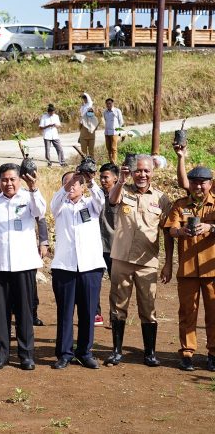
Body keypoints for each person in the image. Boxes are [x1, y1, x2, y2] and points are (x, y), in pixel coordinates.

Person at [0, 163, 45, 371]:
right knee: (2, 312)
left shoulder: (28, 198)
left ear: (19, 180)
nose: (8, 184)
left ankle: (26, 355)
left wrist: (34, 189)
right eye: (4, 180)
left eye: (12, 179)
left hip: (24, 265)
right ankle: (2, 355)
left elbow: (41, 211)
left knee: (24, 312)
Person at [105, 155, 172, 367]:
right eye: (138, 171)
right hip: (122, 259)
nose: (142, 175)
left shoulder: (161, 199)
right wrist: (121, 181)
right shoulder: (123, 190)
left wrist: (168, 263)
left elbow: (168, 234)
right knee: (118, 305)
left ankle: (149, 353)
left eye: (146, 171)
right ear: (132, 172)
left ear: (153, 172)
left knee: (148, 307)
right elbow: (112, 200)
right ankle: (116, 351)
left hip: (147, 261)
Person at [49, 171, 107, 370]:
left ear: (83, 187)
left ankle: (84, 352)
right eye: (68, 183)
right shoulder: (60, 206)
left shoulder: (91, 204)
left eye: (76, 183)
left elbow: (101, 199)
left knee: (88, 311)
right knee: (65, 312)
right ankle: (64, 353)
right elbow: (53, 204)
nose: (72, 186)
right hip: (65, 266)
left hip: (90, 266)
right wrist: (65, 187)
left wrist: (90, 180)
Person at [165, 166, 215, 372]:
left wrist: (210, 227)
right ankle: (187, 353)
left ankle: (213, 353)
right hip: (187, 270)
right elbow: (171, 229)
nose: (198, 186)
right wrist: (181, 231)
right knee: (187, 312)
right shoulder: (180, 205)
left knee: (214, 313)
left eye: (203, 182)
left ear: (210, 184)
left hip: (212, 269)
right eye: (194, 182)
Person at [97, 163, 120, 327]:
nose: (103, 180)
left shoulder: (121, 196)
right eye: (101, 177)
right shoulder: (95, 194)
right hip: (96, 246)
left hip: (115, 247)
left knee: (116, 284)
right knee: (93, 284)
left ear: (116, 178)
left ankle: (115, 316)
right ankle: (96, 314)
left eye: (106, 177)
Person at [103, 99, 124, 164]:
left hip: (114, 132)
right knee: (108, 148)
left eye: (110, 103)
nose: (108, 105)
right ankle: (111, 161)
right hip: (107, 132)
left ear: (113, 104)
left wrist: (119, 131)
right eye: (107, 103)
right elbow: (105, 120)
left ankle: (114, 163)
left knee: (114, 148)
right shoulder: (105, 112)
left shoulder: (117, 111)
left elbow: (121, 122)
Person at [79, 93, 99, 157]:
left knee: (91, 152)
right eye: (83, 98)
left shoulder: (90, 104)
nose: (84, 99)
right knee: (83, 152)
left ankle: (92, 164)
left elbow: (96, 127)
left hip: (91, 137)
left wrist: (84, 93)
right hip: (83, 136)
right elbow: (80, 127)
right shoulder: (83, 107)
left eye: (85, 98)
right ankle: (84, 164)